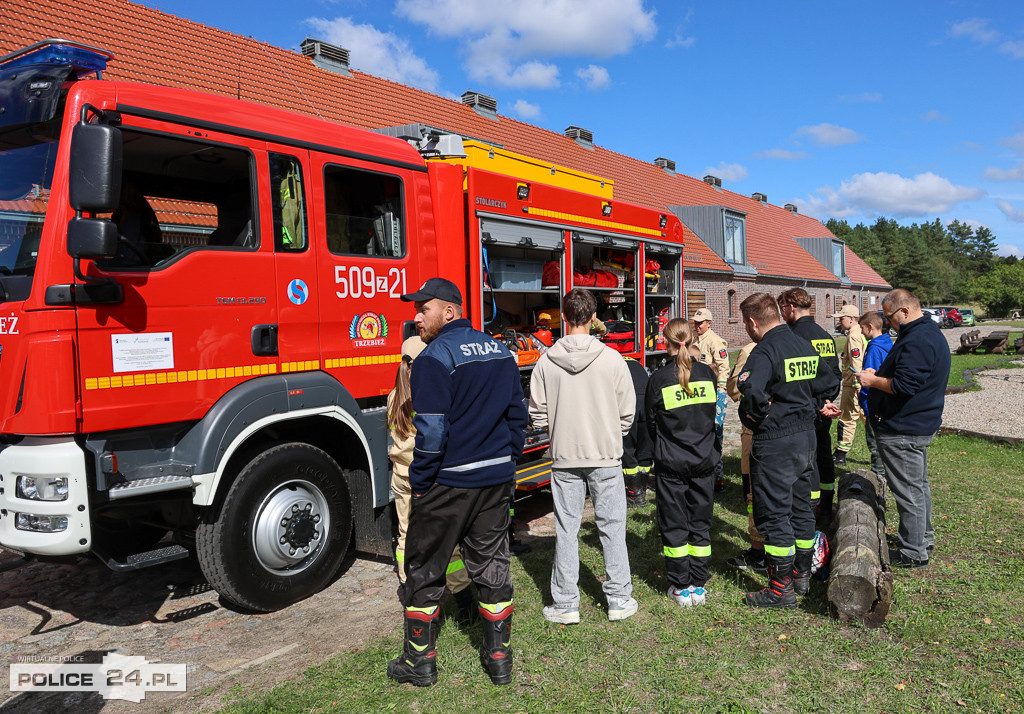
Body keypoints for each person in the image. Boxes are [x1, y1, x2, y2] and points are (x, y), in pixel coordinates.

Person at [387, 278, 528, 687]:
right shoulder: (499, 350)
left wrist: (421, 481)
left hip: (448, 483)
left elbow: (431, 431)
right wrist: (506, 461)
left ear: (449, 311)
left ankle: (419, 663)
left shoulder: (434, 357)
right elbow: (517, 416)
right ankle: (499, 658)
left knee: (424, 569)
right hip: (495, 481)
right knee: (492, 566)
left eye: (422, 309)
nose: (416, 317)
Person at [529, 288, 638, 624]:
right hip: (605, 455)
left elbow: (537, 414)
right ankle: (619, 598)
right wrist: (610, 435)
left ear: (563, 317)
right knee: (612, 528)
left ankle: (566, 604)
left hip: (564, 458)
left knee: (566, 529)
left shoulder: (545, 361)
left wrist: (559, 433)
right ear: (594, 318)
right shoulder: (612, 359)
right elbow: (627, 413)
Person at [737, 293, 840, 607]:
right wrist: (812, 405)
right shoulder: (803, 344)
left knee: (775, 514)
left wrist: (761, 417)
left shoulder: (764, 351)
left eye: (745, 323)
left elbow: (751, 390)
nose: (746, 329)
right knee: (800, 509)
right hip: (807, 436)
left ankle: (780, 590)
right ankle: (801, 577)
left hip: (777, 441)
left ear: (753, 321)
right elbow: (827, 382)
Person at [387, 335, 476, 624]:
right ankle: (464, 602)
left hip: (401, 478)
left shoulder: (394, 396)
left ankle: (412, 595)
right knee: (446, 545)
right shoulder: (428, 394)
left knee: (406, 538)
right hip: (427, 478)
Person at [858, 289, 949, 569]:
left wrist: (873, 381)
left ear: (905, 312)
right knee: (917, 486)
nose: (888, 324)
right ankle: (923, 538)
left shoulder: (918, 339)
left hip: (904, 427)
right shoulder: (924, 333)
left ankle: (914, 552)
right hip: (914, 423)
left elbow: (905, 386)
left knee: (909, 491)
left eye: (889, 317)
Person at [645, 318, 719, 607]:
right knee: (700, 521)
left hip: (671, 463)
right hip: (703, 459)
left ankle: (680, 585)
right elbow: (711, 416)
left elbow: (650, 423)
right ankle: (699, 584)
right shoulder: (708, 374)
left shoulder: (659, 379)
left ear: (666, 342)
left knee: (675, 523)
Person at [778, 289, 843, 525]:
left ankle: (806, 509)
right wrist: (827, 401)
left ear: (791, 307)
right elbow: (835, 375)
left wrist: (816, 403)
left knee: (805, 462)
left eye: (783, 309)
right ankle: (826, 505)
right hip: (824, 409)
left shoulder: (791, 337)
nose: (782, 314)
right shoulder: (825, 336)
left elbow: (793, 380)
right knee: (824, 456)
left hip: (804, 411)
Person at [724, 341, 768, 573]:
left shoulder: (751, 351)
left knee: (754, 494)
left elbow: (734, 388)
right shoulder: (794, 344)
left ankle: (758, 553)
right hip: (790, 432)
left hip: (755, 431)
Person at [691, 308, 730, 493]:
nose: (697, 325)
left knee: (715, 436)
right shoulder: (696, 340)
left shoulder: (715, 341)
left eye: (700, 323)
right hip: (699, 394)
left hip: (713, 395)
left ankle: (717, 480)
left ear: (709, 323)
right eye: (695, 322)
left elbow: (724, 367)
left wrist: (721, 391)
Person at [857, 311, 893, 479]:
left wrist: (864, 402)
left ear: (870, 328)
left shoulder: (873, 349)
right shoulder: (888, 343)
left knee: (875, 446)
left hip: (874, 405)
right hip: (886, 403)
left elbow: (868, 380)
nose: (862, 332)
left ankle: (879, 481)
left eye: (862, 329)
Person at [832, 304, 865, 466]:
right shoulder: (857, 332)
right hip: (854, 383)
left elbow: (856, 363)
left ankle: (840, 455)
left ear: (852, 319)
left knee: (847, 418)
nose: (839, 321)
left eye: (841, 318)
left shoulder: (853, 336)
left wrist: (858, 386)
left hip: (852, 384)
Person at [622, 355, 654, 508]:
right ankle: (641, 490)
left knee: (628, 447)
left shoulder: (613, 363)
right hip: (646, 401)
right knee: (645, 447)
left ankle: (635, 494)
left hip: (628, 402)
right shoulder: (637, 365)